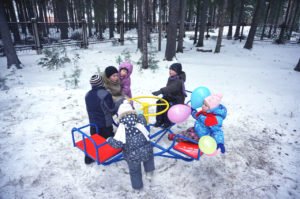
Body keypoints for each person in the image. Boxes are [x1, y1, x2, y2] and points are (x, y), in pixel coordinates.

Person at [107, 100, 155, 190]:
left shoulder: (121, 128)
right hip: (146, 150)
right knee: (148, 159)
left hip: (132, 156)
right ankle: (149, 172)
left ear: (120, 115)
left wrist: (109, 140)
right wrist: (137, 112)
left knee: (135, 171)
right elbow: (142, 117)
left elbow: (117, 144)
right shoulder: (140, 120)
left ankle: (137, 186)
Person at [84, 74, 122, 164]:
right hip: (105, 124)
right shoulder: (105, 94)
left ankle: (88, 158)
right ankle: (108, 155)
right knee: (109, 142)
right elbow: (112, 109)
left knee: (94, 141)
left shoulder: (87, 94)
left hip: (93, 123)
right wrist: (119, 102)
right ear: (101, 83)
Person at [152, 63, 187, 128]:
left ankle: (167, 122)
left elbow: (171, 88)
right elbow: (169, 88)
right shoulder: (171, 78)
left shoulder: (179, 80)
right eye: (170, 69)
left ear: (177, 71)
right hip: (171, 96)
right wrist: (165, 94)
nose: (170, 71)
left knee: (167, 105)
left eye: (172, 70)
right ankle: (159, 120)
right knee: (160, 102)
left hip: (177, 99)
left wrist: (160, 91)